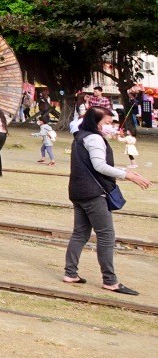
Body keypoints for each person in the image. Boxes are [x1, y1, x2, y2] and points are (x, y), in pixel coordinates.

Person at [63, 102, 151, 294]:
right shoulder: (94, 138)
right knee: (106, 235)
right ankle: (110, 280)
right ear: (96, 122)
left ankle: (70, 273)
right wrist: (127, 175)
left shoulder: (80, 136)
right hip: (93, 193)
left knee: (80, 233)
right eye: (108, 122)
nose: (111, 125)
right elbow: (99, 166)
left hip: (78, 192)